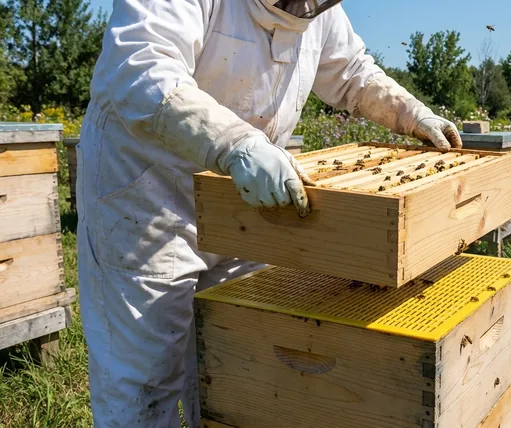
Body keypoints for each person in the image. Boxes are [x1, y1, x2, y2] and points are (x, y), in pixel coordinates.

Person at [76, 0, 462, 426]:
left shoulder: (319, 11)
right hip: (148, 199)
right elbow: (140, 66)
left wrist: (412, 114)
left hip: (245, 203)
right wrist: (234, 142)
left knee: (236, 368)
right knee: (143, 384)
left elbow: (353, 71)